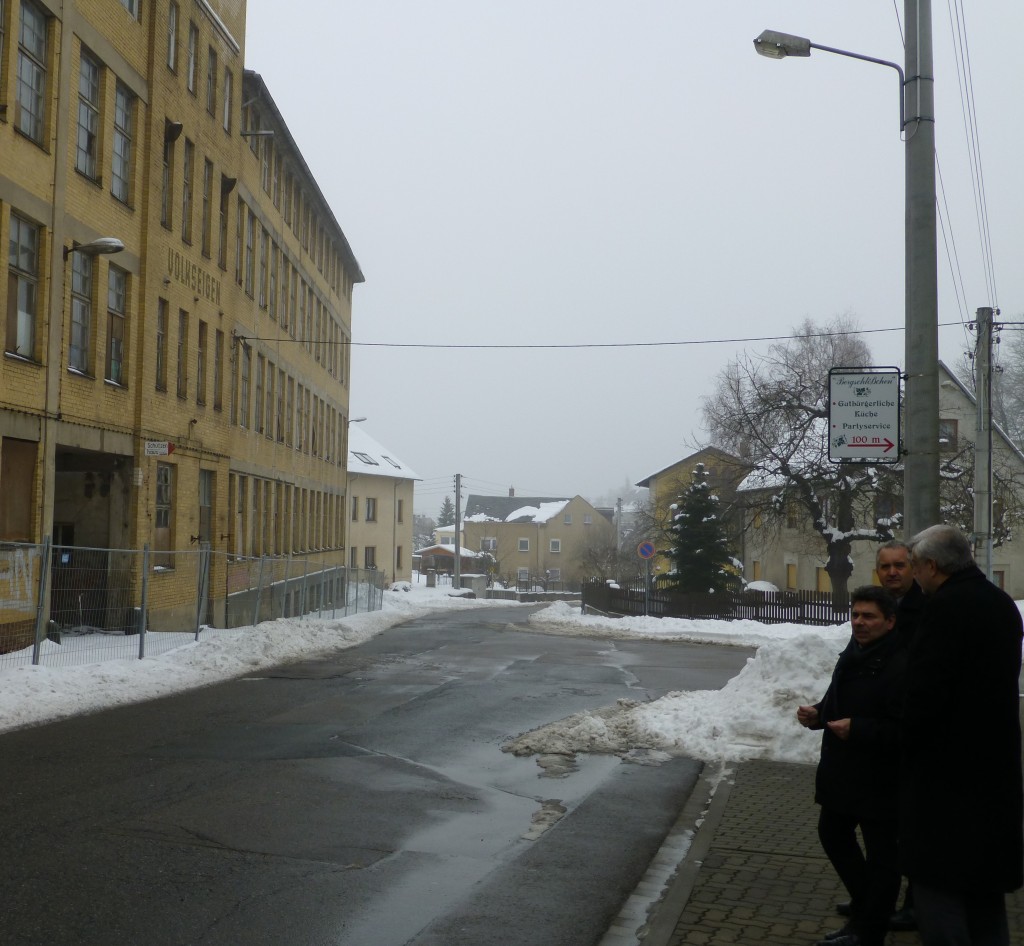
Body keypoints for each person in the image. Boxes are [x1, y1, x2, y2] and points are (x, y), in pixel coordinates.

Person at [901, 525, 1023, 946]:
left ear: (932, 566)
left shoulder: (945, 608)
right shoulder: (1001, 603)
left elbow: (924, 694)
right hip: (995, 769)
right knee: (985, 892)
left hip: (946, 776)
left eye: (915, 567)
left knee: (937, 888)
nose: (914, 577)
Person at [797, 585, 908, 946]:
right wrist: (818, 713)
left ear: (890, 622)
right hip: (843, 770)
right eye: (856, 615)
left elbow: (908, 727)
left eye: (869, 616)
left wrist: (859, 728)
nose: (859, 622)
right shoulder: (855, 652)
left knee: (882, 857)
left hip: (881, 776)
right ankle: (867, 908)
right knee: (832, 833)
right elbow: (839, 698)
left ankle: (869, 931)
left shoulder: (902, 663)